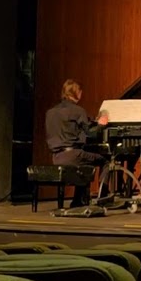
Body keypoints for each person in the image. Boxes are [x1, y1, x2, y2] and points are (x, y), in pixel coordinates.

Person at [44, 78, 109, 207]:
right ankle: (103, 197)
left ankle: (78, 199)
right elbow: (91, 133)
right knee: (106, 160)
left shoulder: (50, 112)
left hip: (56, 157)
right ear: (76, 93)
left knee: (84, 159)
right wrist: (101, 124)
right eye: (80, 91)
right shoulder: (78, 111)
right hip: (72, 155)